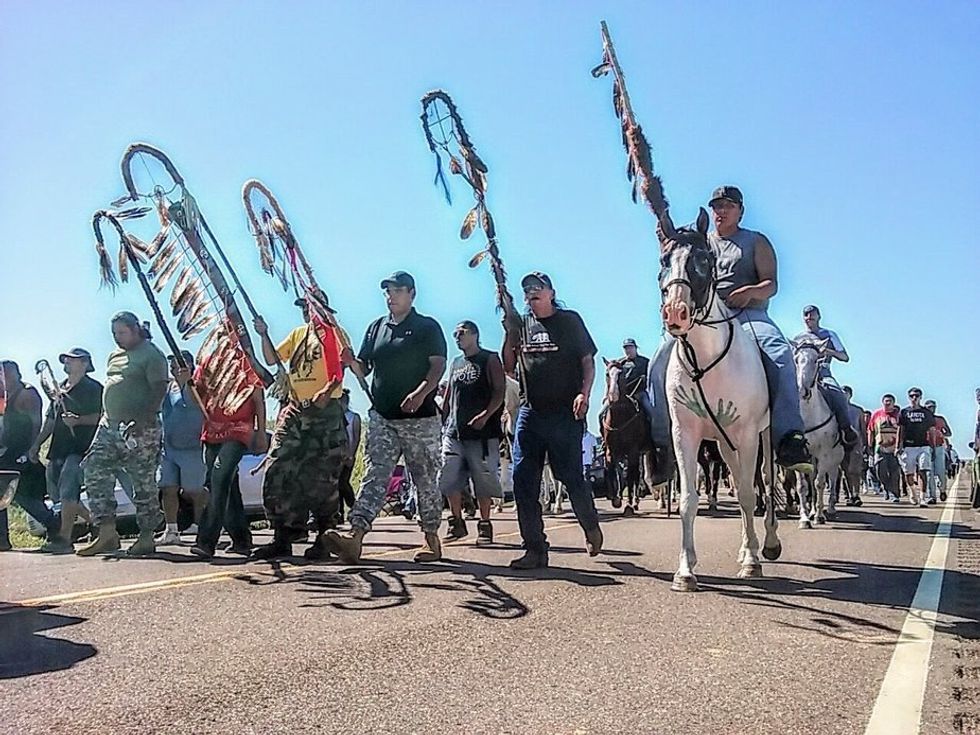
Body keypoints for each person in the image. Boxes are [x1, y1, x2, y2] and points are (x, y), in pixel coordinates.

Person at [647, 186, 813, 483]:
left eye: (727, 206)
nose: (720, 211)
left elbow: (771, 284)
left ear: (740, 211)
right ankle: (660, 443)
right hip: (702, 316)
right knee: (658, 360)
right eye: (716, 206)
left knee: (780, 354)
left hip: (749, 315)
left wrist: (750, 292)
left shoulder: (755, 241)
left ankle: (790, 437)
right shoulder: (700, 243)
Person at [326, 271, 447, 564]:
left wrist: (420, 393)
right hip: (383, 416)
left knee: (424, 479)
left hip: (421, 419)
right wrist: (352, 361)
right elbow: (363, 368)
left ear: (412, 294)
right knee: (375, 474)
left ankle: (431, 537)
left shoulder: (427, 327)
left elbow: (438, 366)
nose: (390, 297)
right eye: (387, 292)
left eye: (396, 291)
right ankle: (355, 537)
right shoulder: (376, 328)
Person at [501, 271, 602, 569]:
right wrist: (509, 333)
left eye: (537, 288)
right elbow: (509, 366)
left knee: (569, 476)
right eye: (527, 289)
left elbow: (587, 360)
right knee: (523, 479)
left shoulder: (569, 321)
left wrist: (584, 393)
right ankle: (535, 548)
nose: (532, 292)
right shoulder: (522, 325)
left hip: (565, 412)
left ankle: (590, 524)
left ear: (550, 292)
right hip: (531, 411)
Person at [252, 291, 351, 560]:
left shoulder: (334, 333)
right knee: (278, 467)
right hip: (295, 408)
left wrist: (328, 389)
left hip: (325, 410)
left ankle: (324, 536)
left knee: (321, 476)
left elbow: (341, 366)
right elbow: (273, 359)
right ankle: (282, 534)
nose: (306, 312)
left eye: (310, 307)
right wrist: (263, 334)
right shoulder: (297, 334)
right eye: (303, 307)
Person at [77, 312, 169, 556]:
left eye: (122, 333)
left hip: (140, 427)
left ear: (136, 330)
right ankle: (107, 532)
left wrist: (142, 419)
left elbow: (159, 389)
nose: (118, 338)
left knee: (143, 480)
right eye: (114, 334)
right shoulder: (114, 355)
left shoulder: (152, 355)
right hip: (109, 425)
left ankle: (147, 535)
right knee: (94, 468)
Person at [189, 352, 267, 560]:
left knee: (218, 479)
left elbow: (258, 399)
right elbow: (197, 395)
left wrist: (260, 432)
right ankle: (241, 539)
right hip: (212, 432)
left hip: (239, 430)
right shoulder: (208, 360)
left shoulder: (246, 361)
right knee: (227, 487)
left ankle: (206, 541)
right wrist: (186, 382)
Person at [28, 348, 103, 553]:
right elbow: (50, 420)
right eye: (66, 359)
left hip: (80, 449)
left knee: (69, 493)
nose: (67, 362)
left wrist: (79, 420)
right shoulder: (58, 389)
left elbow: (100, 417)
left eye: (73, 359)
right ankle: (97, 524)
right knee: (59, 496)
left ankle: (64, 539)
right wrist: (36, 444)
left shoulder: (94, 388)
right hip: (57, 449)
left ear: (85, 363)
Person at [439, 320, 506, 544]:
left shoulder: (489, 359)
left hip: (482, 433)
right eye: (455, 333)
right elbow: (449, 395)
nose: (457, 337)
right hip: (454, 432)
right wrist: (442, 417)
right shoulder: (456, 363)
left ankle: (485, 524)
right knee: (449, 476)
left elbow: (499, 392)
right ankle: (456, 522)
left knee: (482, 478)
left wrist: (486, 415)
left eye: (462, 333)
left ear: (475, 334)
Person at [0, 360, 60, 550]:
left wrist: (32, 449)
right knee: (4, 495)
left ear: (16, 374)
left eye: (7, 374)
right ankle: (2, 539)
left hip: (21, 453)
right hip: (7, 453)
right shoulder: (4, 395)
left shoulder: (26, 393)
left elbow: (36, 422)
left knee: (20, 495)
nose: (5, 379)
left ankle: (53, 523)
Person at [157, 351, 207, 545]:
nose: (174, 367)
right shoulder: (169, 388)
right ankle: (171, 530)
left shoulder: (197, 385)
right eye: (172, 364)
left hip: (192, 447)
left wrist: (187, 383)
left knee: (194, 490)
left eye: (179, 363)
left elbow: (199, 404)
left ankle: (204, 524)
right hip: (169, 448)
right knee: (168, 488)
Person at [794, 306, 859, 446]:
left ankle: (846, 429)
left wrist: (828, 351)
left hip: (823, 371)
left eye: (812, 314)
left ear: (819, 317)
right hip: (802, 372)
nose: (809, 317)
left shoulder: (829, 335)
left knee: (837, 393)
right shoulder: (799, 338)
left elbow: (844, 357)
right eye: (806, 315)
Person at [898, 387, 934, 508]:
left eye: (917, 396)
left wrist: (932, 446)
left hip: (923, 445)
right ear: (909, 397)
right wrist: (899, 445)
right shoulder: (904, 412)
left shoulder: (926, 413)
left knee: (923, 471)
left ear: (920, 397)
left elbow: (932, 430)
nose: (914, 398)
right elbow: (900, 429)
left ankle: (923, 497)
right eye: (912, 396)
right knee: (909, 473)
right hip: (909, 446)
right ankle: (913, 492)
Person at [867, 393, 902, 502]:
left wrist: (900, 445)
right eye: (886, 401)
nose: (887, 403)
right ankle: (886, 488)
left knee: (894, 472)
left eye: (890, 401)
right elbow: (870, 430)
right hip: (880, 448)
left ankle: (894, 494)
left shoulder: (898, 415)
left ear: (893, 403)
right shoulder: (877, 414)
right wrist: (869, 444)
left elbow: (903, 430)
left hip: (894, 448)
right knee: (879, 470)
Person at [336, 389, 361, 525]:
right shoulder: (335, 418)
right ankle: (339, 514)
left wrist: (351, 453)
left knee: (343, 483)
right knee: (337, 486)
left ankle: (354, 506)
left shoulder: (353, 417)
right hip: (336, 456)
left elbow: (355, 437)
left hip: (348, 455)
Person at [620, 338, 654, 426]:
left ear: (635, 348)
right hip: (623, 396)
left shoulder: (645, 362)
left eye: (630, 347)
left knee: (651, 413)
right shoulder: (620, 363)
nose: (628, 350)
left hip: (640, 394)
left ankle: (657, 437)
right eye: (626, 348)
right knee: (602, 414)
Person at [924, 398, 952, 503]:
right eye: (929, 407)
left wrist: (942, 434)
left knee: (941, 471)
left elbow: (949, 432)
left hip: (939, 447)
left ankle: (942, 489)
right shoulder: (923, 420)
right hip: (926, 446)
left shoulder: (940, 419)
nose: (931, 409)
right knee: (929, 473)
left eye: (933, 407)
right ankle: (931, 496)